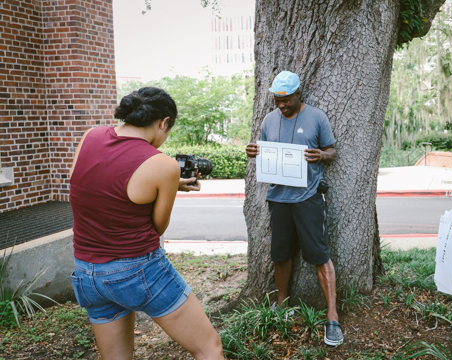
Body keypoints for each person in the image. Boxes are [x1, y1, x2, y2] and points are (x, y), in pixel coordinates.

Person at [69, 87, 224, 360]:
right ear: (163, 122)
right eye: (168, 131)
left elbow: (95, 183)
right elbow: (158, 227)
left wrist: (165, 183)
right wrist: (168, 185)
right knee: (209, 348)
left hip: (87, 274)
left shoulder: (90, 136)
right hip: (137, 272)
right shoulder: (163, 166)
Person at [245, 71, 342, 346]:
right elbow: (265, 152)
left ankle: (332, 316)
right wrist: (255, 152)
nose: (281, 105)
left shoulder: (316, 117)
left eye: (286, 100)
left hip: (309, 197)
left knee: (319, 254)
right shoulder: (269, 119)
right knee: (280, 253)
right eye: (277, 100)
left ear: (298, 94)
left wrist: (321, 155)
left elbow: (332, 151)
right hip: (278, 199)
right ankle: (282, 304)